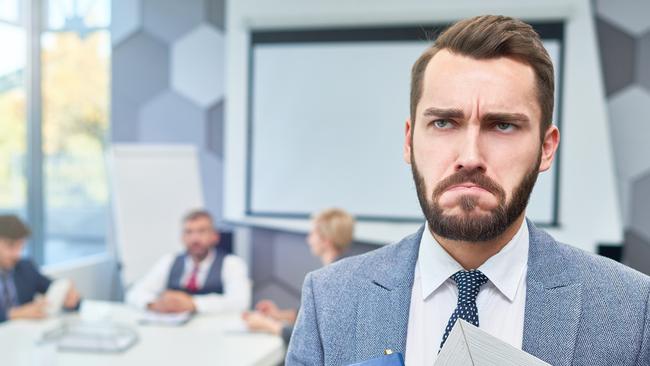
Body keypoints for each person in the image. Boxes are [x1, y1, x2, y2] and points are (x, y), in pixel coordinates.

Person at [286, 15, 650, 366]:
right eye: (444, 122)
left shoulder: (631, 310)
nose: (470, 157)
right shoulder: (330, 300)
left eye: (503, 125)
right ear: (410, 140)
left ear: (546, 147)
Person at [242, 208, 355, 345]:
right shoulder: (344, 272)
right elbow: (315, 317)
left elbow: (312, 339)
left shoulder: (332, 281)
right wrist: (279, 315)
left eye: (313, 234)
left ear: (325, 240)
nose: (309, 239)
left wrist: (267, 325)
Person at [126, 209, 250, 314]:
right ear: (182, 237)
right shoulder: (169, 261)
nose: (195, 238)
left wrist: (192, 304)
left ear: (215, 237)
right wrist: (153, 304)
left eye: (202, 231)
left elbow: (240, 303)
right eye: (188, 232)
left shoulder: (231, 263)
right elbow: (135, 293)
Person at [0, 215, 81, 323]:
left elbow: (53, 286)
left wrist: (69, 296)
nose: (17, 254)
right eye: (11, 246)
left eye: (21, 247)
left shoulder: (25, 268)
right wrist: (14, 313)